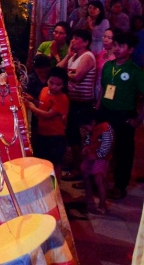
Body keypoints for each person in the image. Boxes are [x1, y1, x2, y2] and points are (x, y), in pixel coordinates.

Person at [97, 31, 144, 200]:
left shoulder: (135, 71)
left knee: (124, 151)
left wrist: (138, 119)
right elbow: (103, 89)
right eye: (115, 45)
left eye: (121, 46)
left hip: (124, 115)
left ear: (130, 49)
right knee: (100, 147)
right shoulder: (108, 66)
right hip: (105, 112)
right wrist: (97, 109)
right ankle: (97, 180)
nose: (116, 49)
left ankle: (120, 185)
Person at [58, 28, 97, 180]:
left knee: (80, 136)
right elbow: (58, 68)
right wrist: (68, 55)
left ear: (86, 42)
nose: (72, 41)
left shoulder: (87, 56)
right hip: (72, 101)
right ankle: (76, 164)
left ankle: (80, 169)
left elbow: (78, 76)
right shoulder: (74, 56)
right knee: (72, 134)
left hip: (82, 103)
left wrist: (63, 75)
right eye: (72, 37)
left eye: (76, 38)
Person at [24, 67, 69, 178]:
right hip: (42, 133)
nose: (53, 87)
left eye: (58, 85)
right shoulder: (44, 90)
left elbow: (49, 115)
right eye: (51, 83)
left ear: (63, 85)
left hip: (55, 136)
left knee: (54, 164)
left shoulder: (62, 98)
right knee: (42, 161)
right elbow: (42, 104)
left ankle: (56, 186)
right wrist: (32, 100)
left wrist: (31, 107)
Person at [80, 109, 114, 215]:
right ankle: (89, 199)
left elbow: (107, 146)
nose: (86, 129)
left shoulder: (105, 128)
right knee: (85, 173)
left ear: (93, 122)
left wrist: (96, 156)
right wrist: (86, 147)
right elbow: (88, 138)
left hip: (102, 157)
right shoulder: (92, 129)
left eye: (86, 127)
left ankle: (102, 205)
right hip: (91, 154)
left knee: (98, 179)